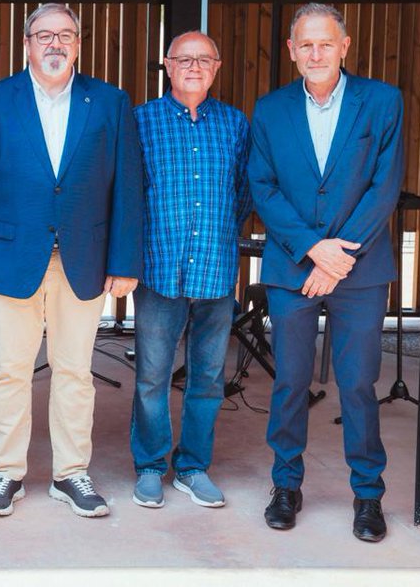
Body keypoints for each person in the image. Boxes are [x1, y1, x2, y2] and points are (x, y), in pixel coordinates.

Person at [0, 2, 143, 518]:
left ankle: (71, 474)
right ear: (26, 44)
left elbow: (127, 187)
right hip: (9, 258)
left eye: (66, 35)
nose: (55, 44)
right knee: (9, 370)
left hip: (84, 258)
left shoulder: (109, 102)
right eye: (44, 36)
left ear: (79, 44)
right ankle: (7, 473)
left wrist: (125, 261)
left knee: (74, 371)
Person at [250, 3, 404, 543]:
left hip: (358, 272)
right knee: (290, 381)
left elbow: (384, 186)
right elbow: (263, 188)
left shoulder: (382, 102)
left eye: (325, 43)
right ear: (292, 52)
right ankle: (286, 485)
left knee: (359, 383)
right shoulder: (269, 110)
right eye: (305, 45)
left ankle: (368, 495)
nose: (315, 53)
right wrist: (314, 248)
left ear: (345, 46)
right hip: (294, 267)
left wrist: (339, 258)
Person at [129, 31, 251, 510]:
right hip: (160, 270)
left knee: (207, 378)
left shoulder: (235, 124)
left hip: (217, 271)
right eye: (184, 59)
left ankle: (194, 466)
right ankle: (151, 467)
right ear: (167, 64)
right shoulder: (141, 121)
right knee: (152, 376)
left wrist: (218, 232)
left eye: (204, 59)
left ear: (217, 66)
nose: (194, 66)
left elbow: (244, 191)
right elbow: (131, 194)